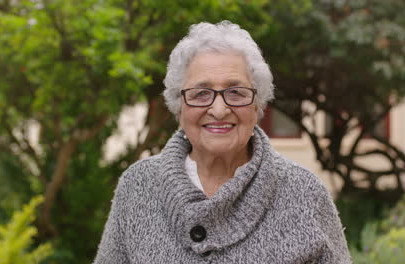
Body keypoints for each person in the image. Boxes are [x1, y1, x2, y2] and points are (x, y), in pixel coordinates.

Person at [93, 21, 351, 264]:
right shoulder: (137, 186)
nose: (219, 109)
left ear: (257, 104)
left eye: (236, 93)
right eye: (201, 93)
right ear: (179, 106)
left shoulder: (304, 193)